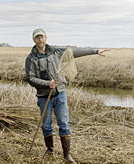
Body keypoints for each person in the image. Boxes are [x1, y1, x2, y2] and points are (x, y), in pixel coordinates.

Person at [25, 28, 108, 164]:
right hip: (43, 96)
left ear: (46, 37)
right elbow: (30, 78)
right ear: (34, 40)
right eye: (37, 38)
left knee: (64, 124)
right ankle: (50, 149)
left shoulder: (56, 52)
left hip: (60, 94)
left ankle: (67, 155)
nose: (40, 40)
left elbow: (74, 53)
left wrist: (95, 51)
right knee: (46, 125)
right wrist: (47, 84)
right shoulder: (31, 58)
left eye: (42, 37)